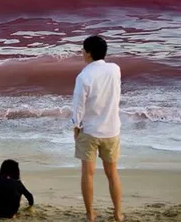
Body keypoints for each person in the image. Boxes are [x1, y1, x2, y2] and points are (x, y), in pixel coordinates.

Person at [71, 35, 123, 222]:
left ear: (89, 53)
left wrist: (76, 126)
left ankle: (90, 214)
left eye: (83, 51)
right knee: (112, 173)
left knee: (88, 173)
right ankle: (117, 213)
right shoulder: (115, 69)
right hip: (112, 129)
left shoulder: (84, 76)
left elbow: (78, 105)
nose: (82, 54)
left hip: (90, 130)